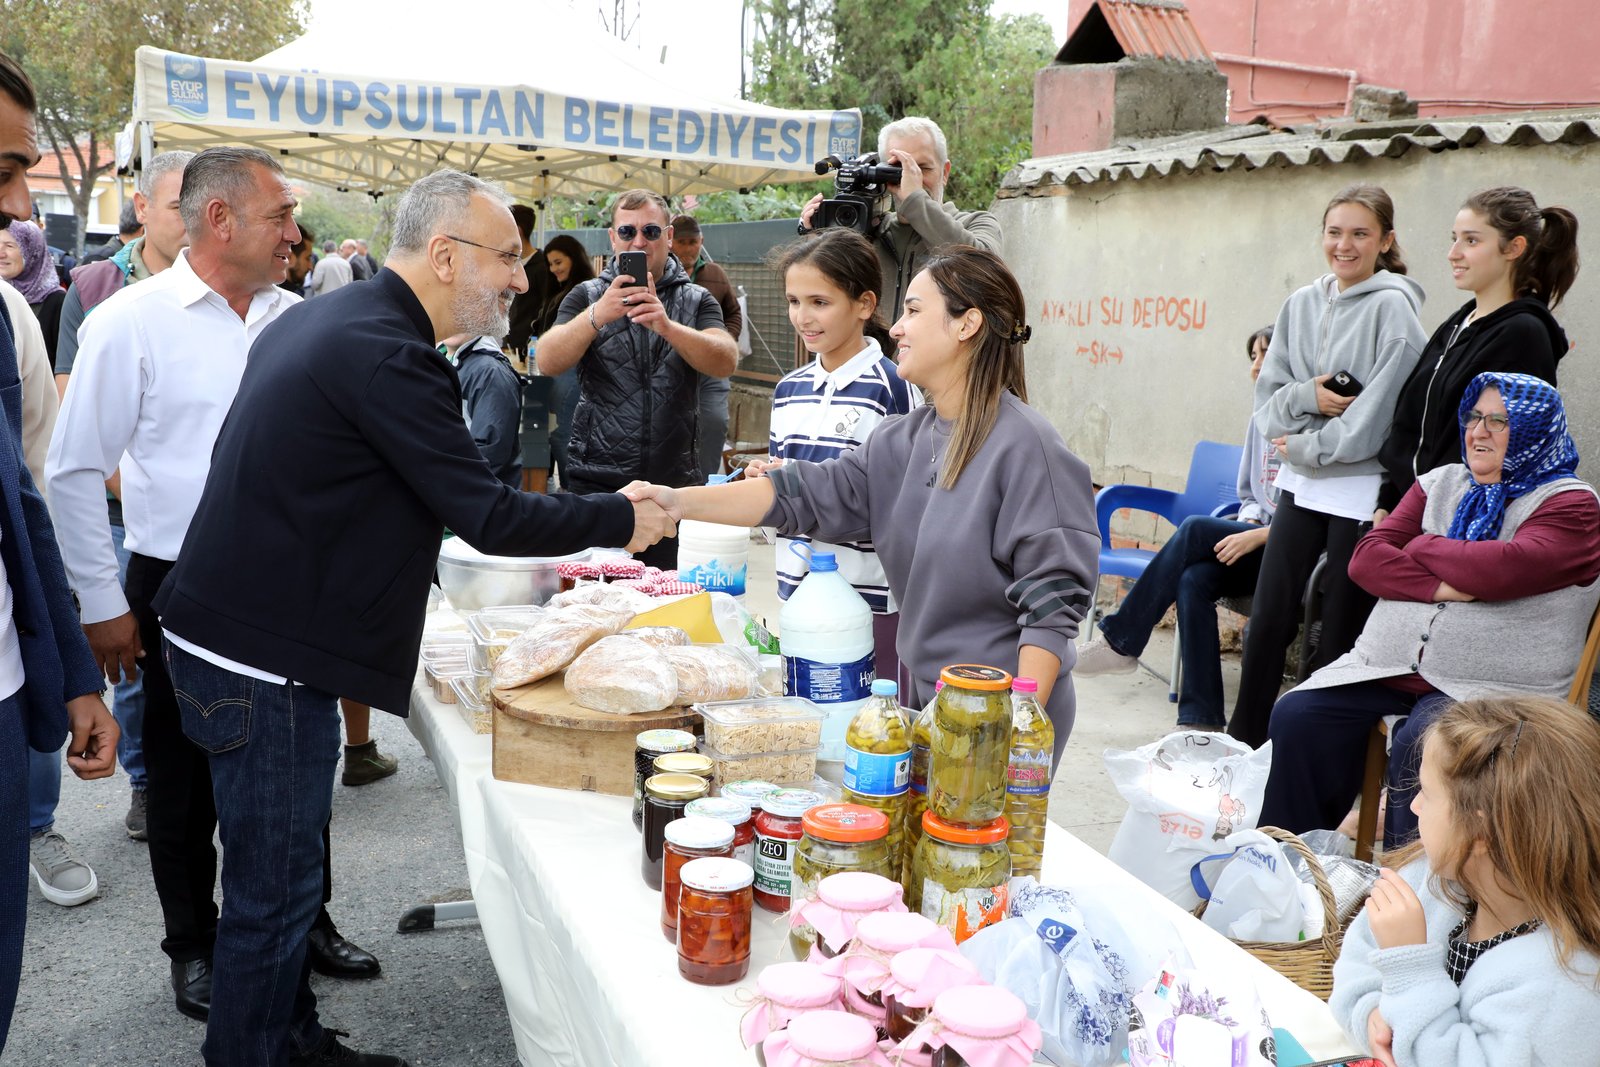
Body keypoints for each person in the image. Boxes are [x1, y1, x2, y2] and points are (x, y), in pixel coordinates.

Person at [151, 168, 672, 1067]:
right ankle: (254, 1051)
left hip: (237, 635)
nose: (520, 279)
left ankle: (287, 1034)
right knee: (275, 891)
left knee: (283, 875)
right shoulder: (389, 349)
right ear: (444, 254)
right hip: (260, 659)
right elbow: (491, 513)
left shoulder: (338, 318)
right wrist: (626, 515)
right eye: (507, 257)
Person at [46, 145, 378, 1027]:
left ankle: (300, 924)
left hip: (289, 579)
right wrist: (104, 604)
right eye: (280, 215)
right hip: (175, 581)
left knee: (299, 769)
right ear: (221, 219)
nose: (296, 234)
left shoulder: (298, 320)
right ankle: (195, 947)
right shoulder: (134, 322)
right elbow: (73, 470)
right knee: (187, 783)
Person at [624, 247, 1096, 766]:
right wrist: (673, 502)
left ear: (967, 325)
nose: (898, 328)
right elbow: (799, 495)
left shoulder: (1028, 447)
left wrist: (1015, 735)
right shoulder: (901, 440)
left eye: (915, 311)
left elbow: (1051, 608)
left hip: (996, 713)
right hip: (923, 700)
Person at [1259, 373, 1600, 849]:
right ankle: (1291, 869)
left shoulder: (1571, 506)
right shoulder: (1441, 482)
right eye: (1474, 417)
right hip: (1390, 668)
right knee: (1300, 714)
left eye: (1498, 421)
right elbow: (1367, 559)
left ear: (1534, 429)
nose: (1477, 431)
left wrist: (1422, 544)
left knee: (1429, 741)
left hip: (1496, 686)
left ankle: (1417, 894)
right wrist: (1442, 583)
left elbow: (1502, 570)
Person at [0, 48, 121, 1051]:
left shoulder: (3, 320)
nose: (16, 202)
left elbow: (28, 498)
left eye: (22, 170)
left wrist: (76, 671)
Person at [1228, 184, 1426, 749]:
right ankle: (1244, 745)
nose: (1345, 245)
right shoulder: (1300, 303)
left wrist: (1307, 444)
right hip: (1299, 486)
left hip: (1358, 491)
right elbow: (1270, 403)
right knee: (1267, 622)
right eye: (1335, 232)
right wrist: (1308, 400)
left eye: (1361, 233)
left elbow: (1375, 419)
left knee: (1336, 631)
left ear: (1385, 241)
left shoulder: (1395, 311)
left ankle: (1308, 748)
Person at [1330, 696, 1600, 1067]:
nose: (1414, 807)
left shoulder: (1565, 981)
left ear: (1480, 831)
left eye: (1426, 792)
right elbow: (1357, 965)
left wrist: (1406, 965)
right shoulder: (1430, 880)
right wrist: (1371, 1015)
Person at [51, 150, 194, 845]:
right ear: (142, 208)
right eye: (178, 207)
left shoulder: (239, 293)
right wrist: (139, 481)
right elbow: (69, 409)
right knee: (133, 662)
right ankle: (147, 781)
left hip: (196, 529)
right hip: (120, 519)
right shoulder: (96, 285)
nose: (195, 223)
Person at [1076, 325, 1282, 729]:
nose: (1257, 367)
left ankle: (1121, 640)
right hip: (1256, 542)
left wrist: (1257, 534)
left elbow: (1314, 512)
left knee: (1193, 529)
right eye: (1253, 358)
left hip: (1290, 550)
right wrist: (1248, 525)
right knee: (1192, 580)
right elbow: (1250, 495)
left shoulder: (1309, 420)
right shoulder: (1261, 418)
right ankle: (1200, 718)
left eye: (1267, 356)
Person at [535, 188, 736, 568]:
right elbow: (547, 360)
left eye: (651, 231)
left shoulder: (696, 299)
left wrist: (668, 327)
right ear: (613, 239)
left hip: (672, 484)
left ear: (670, 237)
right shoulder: (587, 295)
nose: (639, 241)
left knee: (664, 607)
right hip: (597, 482)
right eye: (627, 233)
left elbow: (725, 360)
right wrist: (598, 315)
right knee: (589, 601)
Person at [762, 228, 921, 680]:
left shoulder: (894, 387)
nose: (802, 317)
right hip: (798, 592)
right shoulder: (788, 390)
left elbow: (902, 502)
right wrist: (768, 480)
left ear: (864, 305)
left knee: (872, 724)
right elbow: (783, 494)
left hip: (870, 600)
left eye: (820, 302)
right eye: (794, 301)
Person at [1375, 187, 1579, 519]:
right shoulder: (1458, 323)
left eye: (1471, 241)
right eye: (1454, 238)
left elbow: (1508, 447)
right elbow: (1410, 422)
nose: (1453, 253)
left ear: (1514, 248)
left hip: (1456, 522)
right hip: (1410, 509)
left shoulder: (1523, 334)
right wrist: (1387, 501)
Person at [799, 116, 1002, 319]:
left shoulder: (978, 223)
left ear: (945, 173)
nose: (911, 178)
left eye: (922, 168)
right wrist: (814, 238)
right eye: (897, 169)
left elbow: (981, 268)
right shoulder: (870, 231)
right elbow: (825, 297)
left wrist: (915, 199)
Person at [672, 214, 744, 479]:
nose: (689, 248)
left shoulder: (714, 273)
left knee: (714, 422)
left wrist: (726, 341)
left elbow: (734, 312)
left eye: (694, 241)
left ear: (701, 241)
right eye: (683, 242)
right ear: (670, 241)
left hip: (711, 367)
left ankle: (706, 486)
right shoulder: (659, 275)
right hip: (673, 365)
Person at [535, 233, 594, 485]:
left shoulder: (585, 292)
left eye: (559, 262)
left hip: (572, 373)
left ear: (575, 259)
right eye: (550, 263)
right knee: (553, 434)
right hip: (554, 374)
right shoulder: (561, 291)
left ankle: (574, 492)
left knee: (562, 435)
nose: (553, 269)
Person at [445, 331, 524, 487]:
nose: (455, 322)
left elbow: (488, 456)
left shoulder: (490, 373)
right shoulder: (432, 358)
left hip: (473, 498)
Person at [0, 221, 63, 369]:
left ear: (32, 250)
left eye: (10, 246)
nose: (1, 254)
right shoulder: (2, 295)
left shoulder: (56, 301)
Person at [505, 203, 554, 357]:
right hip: (508, 345)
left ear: (517, 230)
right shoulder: (507, 263)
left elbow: (547, 310)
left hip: (531, 350)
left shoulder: (544, 268)